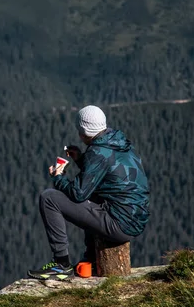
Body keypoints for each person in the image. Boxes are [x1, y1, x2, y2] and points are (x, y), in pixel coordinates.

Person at [27, 105, 150, 280]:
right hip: (135, 218)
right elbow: (105, 173)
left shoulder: (97, 151)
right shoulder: (118, 143)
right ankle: (91, 258)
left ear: (83, 130)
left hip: (120, 224)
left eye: (79, 130)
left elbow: (78, 194)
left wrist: (58, 176)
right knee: (94, 195)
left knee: (48, 198)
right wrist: (81, 159)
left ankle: (61, 264)